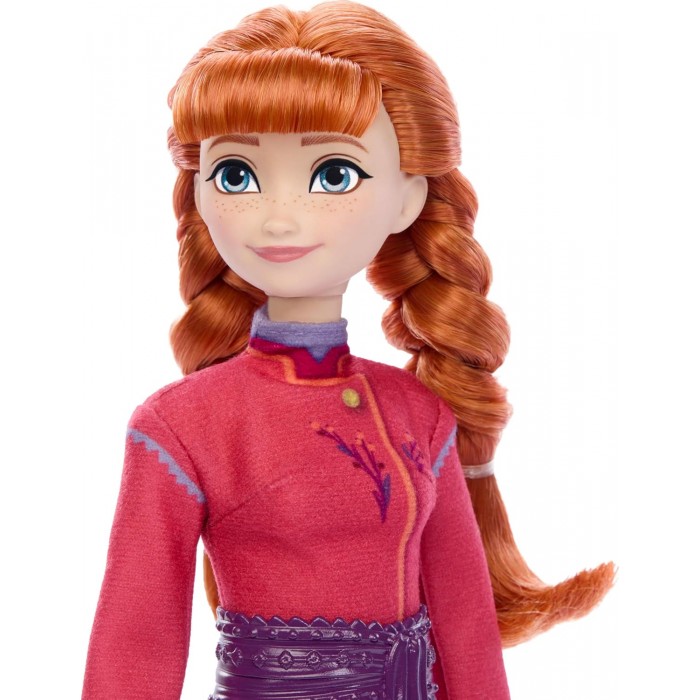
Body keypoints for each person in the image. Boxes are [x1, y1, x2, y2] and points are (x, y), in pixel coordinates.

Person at [82, 2, 614, 698]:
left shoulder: (420, 415)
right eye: (237, 174)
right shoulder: (181, 427)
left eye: (333, 174)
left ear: (407, 199)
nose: (278, 217)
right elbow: (136, 641)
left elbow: (467, 635)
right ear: (200, 195)